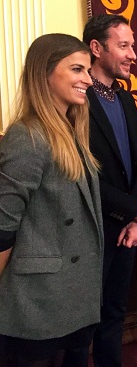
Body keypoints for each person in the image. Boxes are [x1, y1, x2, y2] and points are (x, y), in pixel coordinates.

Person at [0, 33, 103, 366]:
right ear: (44, 73)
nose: (88, 79)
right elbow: (3, 227)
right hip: (35, 299)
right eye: (77, 69)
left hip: (70, 290)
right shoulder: (27, 135)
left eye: (88, 70)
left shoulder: (71, 131)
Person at [83, 15, 137, 366]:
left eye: (132, 46)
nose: (133, 55)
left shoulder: (126, 100)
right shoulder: (77, 101)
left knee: (114, 312)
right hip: (91, 228)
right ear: (96, 49)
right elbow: (82, 176)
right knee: (83, 322)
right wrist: (133, 209)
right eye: (123, 46)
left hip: (129, 229)